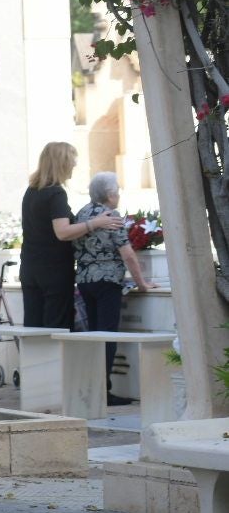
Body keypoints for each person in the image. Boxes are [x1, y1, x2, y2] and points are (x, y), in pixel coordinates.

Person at [20, 141, 121, 328]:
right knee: (56, 327)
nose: (74, 166)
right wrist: (95, 222)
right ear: (62, 163)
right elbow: (63, 232)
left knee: (33, 328)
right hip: (54, 271)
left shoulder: (31, 191)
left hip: (30, 268)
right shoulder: (56, 193)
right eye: (72, 162)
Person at [74, 171, 152, 406]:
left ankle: (92, 388)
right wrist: (142, 283)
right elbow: (127, 253)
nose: (118, 194)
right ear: (109, 194)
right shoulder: (111, 215)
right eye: (117, 190)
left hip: (85, 281)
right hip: (107, 281)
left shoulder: (83, 213)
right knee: (107, 335)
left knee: (93, 336)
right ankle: (103, 392)